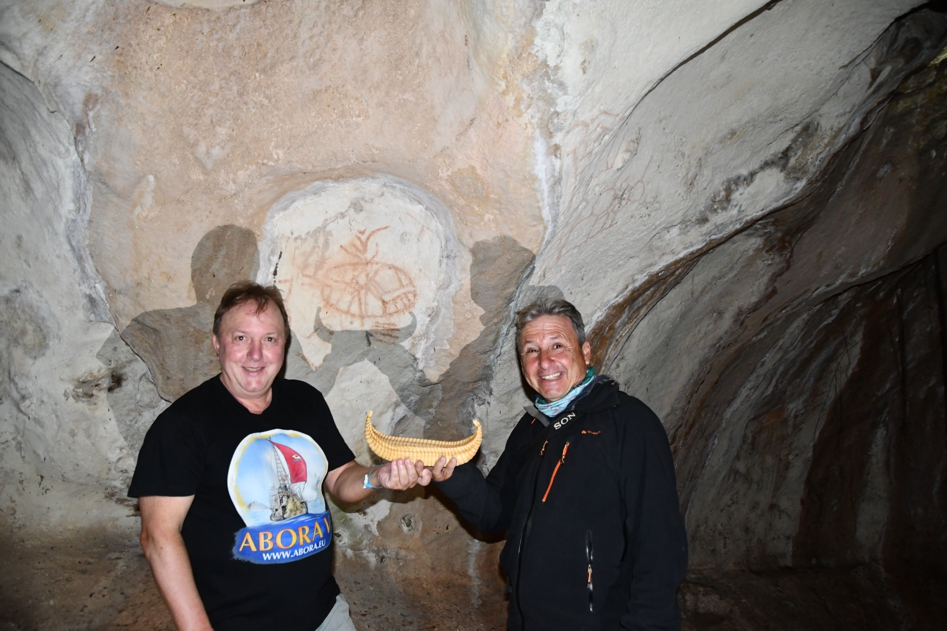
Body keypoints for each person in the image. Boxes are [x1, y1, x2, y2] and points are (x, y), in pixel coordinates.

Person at [128, 281, 430, 631]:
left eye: (269, 339)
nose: (256, 354)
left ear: (283, 345)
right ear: (217, 343)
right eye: (241, 338)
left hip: (324, 613)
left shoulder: (305, 402)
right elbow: (158, 537)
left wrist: (378, 476)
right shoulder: (182, 426)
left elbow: (341, 479)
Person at [428, 297, 688, 630]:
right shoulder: (532, 427)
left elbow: (659, 544)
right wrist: (452, 475)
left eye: (557, 345)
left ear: (586, 352)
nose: (544, 361)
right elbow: (495, 513)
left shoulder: (629, 424)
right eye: (531, 350)